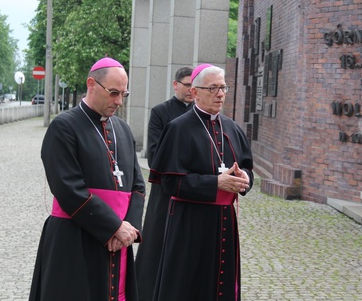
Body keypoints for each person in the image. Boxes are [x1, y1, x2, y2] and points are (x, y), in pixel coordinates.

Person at [29, 57, 145, 301]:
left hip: (119, 238)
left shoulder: (122, 129)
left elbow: (137, 185)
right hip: (75, 238)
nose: (119, 101)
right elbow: (69, 189)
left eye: (124, 94)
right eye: (113, 93)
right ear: (91, 84)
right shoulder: (64, 127)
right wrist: (113, 226)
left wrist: (129, 229)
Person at [149, 64, 254, 301]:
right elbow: (169, 183)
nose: (220, 94)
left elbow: (247, 167)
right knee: (189, 285)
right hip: (189, 222)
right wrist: (214, 183)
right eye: (213, 88)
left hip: (225, 220)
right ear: (195, 92)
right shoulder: (178, 128)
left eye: (223, 88)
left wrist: (246, 178)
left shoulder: (233, 128)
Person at [135, 66, 194, 301]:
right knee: (158, 244)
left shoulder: (201, 114)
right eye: (187, 84)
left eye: (194, 85)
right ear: (175, 84)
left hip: (192, 192)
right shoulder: (161, 112)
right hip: (165, 190)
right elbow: (155, 154)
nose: (191, 90)